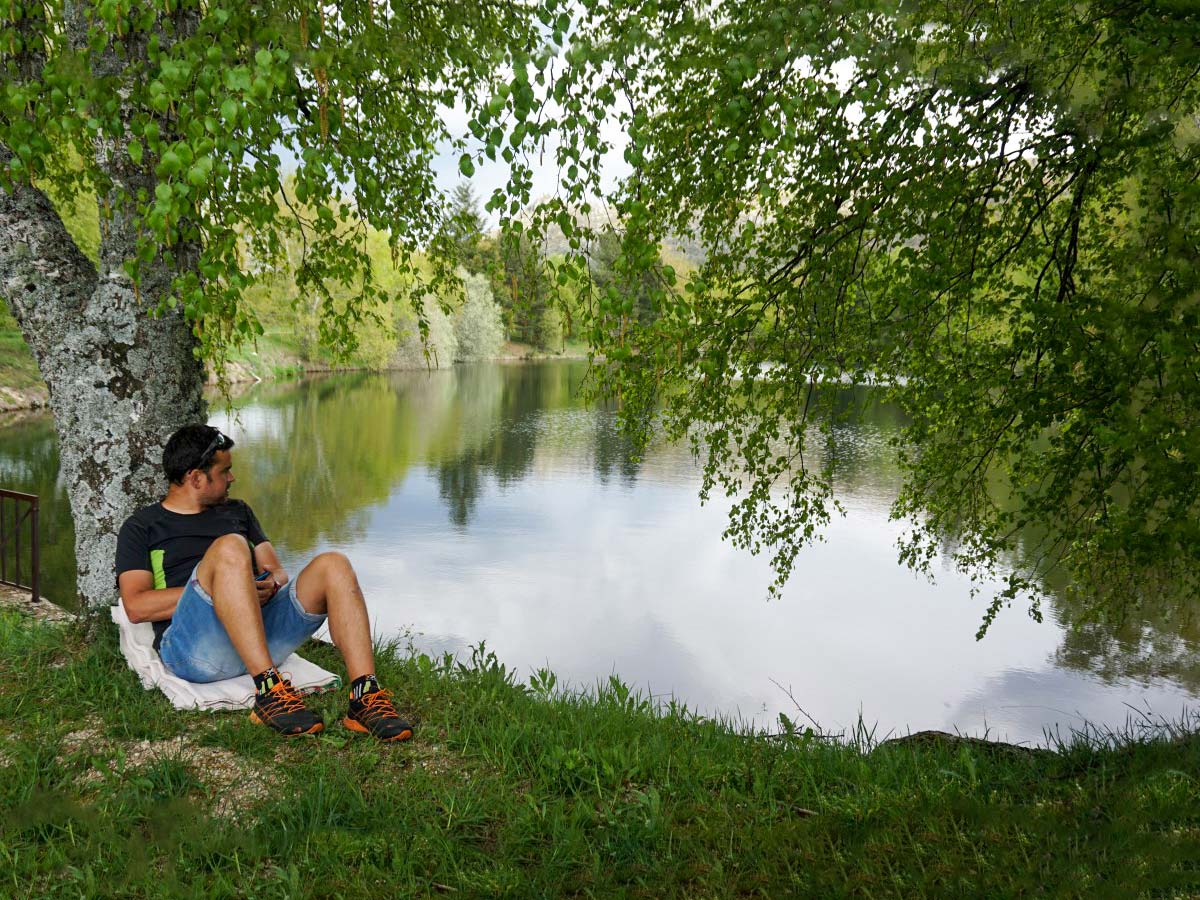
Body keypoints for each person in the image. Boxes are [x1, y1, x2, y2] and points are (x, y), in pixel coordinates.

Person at [116, 423, 413, 741]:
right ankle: (270, 693)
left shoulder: (238, 511)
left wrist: (267, 585)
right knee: (229, 546)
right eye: (225, 471)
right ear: (196, 478)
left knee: (333, 565)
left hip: (259, 634)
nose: (232, 478)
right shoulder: (142, 526)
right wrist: (227, 592)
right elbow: (135, 606)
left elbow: (277, 572)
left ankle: (365, 698)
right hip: (196, 652)